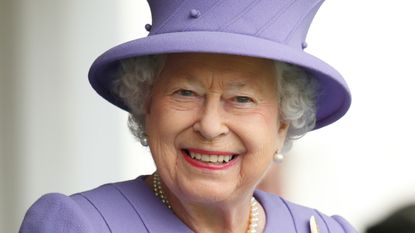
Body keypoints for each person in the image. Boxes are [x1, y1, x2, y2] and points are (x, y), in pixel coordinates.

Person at [19, 0, 357, 232]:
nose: (210, 126)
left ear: (282, 124)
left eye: (241, 99)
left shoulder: (325, 230)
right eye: (185, 93)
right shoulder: (79, 225)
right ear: (146, 106)